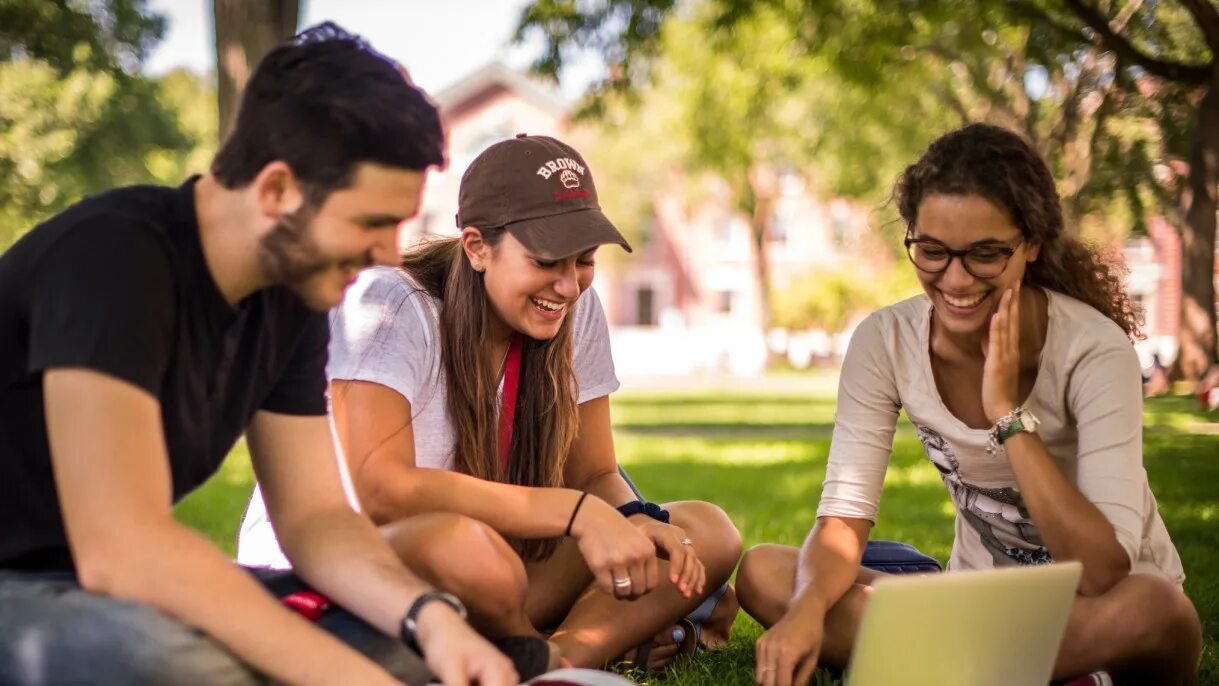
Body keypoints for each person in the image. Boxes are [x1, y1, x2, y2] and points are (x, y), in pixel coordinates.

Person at [0, 23, 520, 686]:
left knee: (397, 648)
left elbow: (315, 517)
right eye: (371, 222)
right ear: (276, 190)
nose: (391, 253)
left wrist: (430, 618)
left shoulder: (293, 295)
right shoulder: (115, 259)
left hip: (102, 588)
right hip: (36, 584)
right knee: (173, 666)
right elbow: (121, 546)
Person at [238, 134, 742, 671]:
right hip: (346, 569)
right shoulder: (393, 302)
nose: (569, 286)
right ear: (477, 247)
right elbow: (379, 489)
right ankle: (552, 642)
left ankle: (556, 661)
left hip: (492, 570)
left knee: (707, 531)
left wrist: (636, 522)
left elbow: (595, 472)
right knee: (471, 552)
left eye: (585, 260)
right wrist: (576, 514)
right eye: (548, 260)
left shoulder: (575, 308)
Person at [736, 123, 1202, 686]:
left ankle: (949, 661)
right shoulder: (884, 341)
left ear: (1030, 244)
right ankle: (1019, 668)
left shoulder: (1094, 350)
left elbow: (1104, 571)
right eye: (931, 251)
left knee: (1158, 612)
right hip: (972, 603)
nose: (954, 279)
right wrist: (807, 613)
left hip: (1099, 606)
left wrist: (1009, 417)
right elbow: (841, 522)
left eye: (984, 254)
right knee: (766, 574)